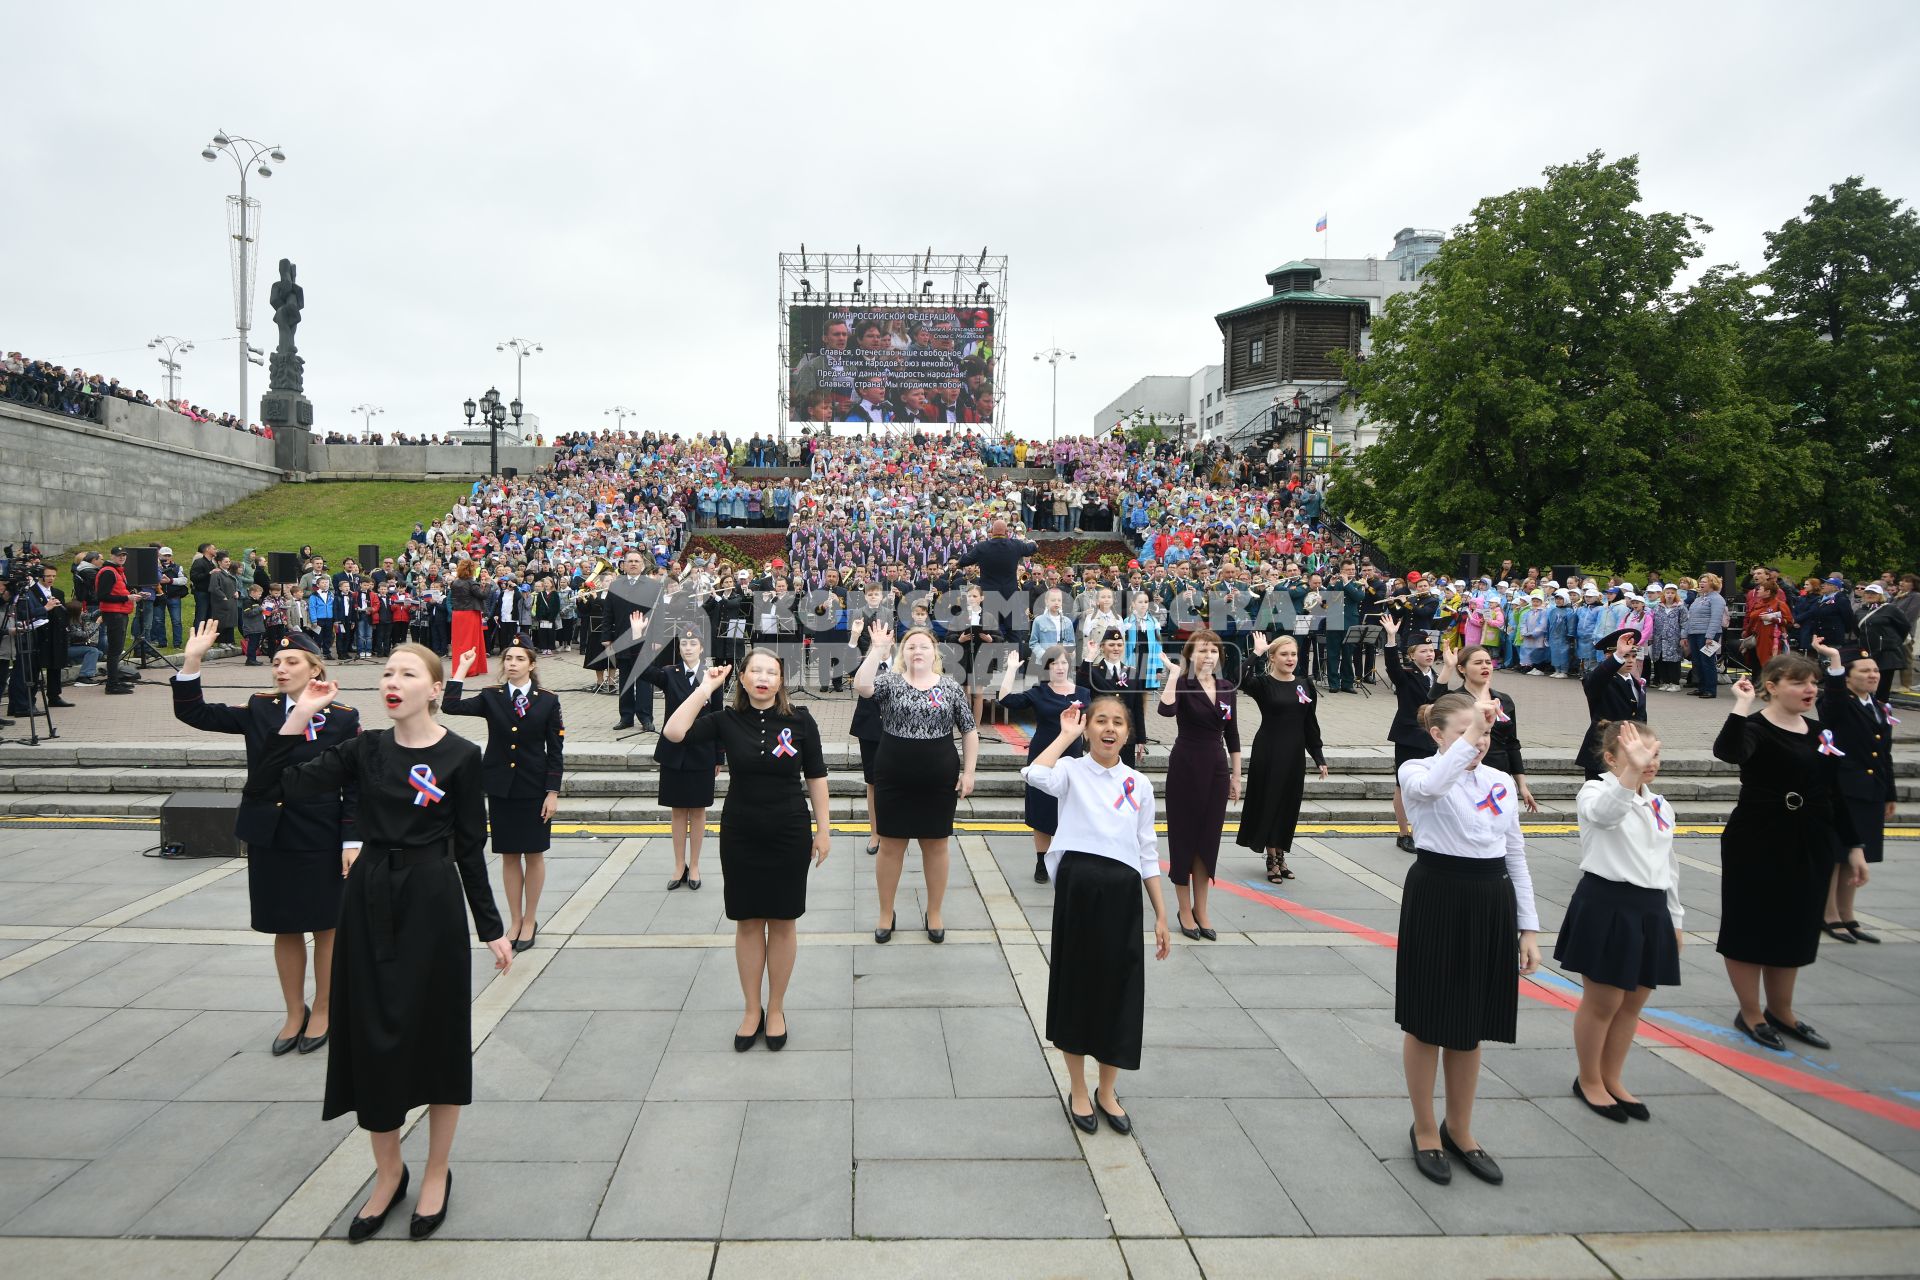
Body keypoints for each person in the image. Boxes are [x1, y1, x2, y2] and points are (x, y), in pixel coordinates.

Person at [271, 643, 512, 1242]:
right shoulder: (364, 749)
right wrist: (299, 717)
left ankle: (435, 1172)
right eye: (386, 673)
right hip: (370, 897)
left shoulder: (461, 755)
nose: (392, 682)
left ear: (435, 689)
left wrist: (490, 926)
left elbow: (469, 846)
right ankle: (388, 1175)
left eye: (407, 673)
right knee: (373, 1040)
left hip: (432, 903)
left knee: (437, 1037)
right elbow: (285, 783)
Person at [171, 624, 359, 1055]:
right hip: (271, 833)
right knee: (283, 924)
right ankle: (295, 1011)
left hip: (322, 834)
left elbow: (356, 785)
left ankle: (325, 1009)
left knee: (327, 926)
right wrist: (193, 660)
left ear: (315, 669)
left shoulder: (343, 717)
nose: (280, 668)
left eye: (292, 662)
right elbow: (195, 714)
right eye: (276, 662)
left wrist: (352, 839)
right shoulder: (261, 708)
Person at [1396, 692, 1541, 1188]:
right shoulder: (1417, 771)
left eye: (1482, 734)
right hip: (1438, 893)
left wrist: (1529, 928)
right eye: (1464, 733)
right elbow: (1437, 785)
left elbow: (1515, 855)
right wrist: (1469, 736)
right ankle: (1423, 1127)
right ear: (1437, 734)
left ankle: (1459, 1126)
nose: (1477, 743)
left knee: (1471, 1019)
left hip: (1489, 899)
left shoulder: (1498, 781)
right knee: (1427, 1017)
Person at [661, 651, 831, 1051]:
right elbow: (674, 732)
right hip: (741, 832)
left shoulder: (800, 720)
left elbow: (817, 777)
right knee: (748, 921)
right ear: (742, 676)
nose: (763, 678)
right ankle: (751, 1008)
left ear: (781, 680)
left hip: (789, 830)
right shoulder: (726, 720)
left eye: (772, 672)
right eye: (755, 670)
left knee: (784, 920)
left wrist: (823, 831)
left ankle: (776, 1008)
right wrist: (706, 687)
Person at [1024, 698, 1171, 1135]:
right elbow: (1033, 774)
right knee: (1077, 985)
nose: (1110, 729)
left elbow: (1147, 850)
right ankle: (1078, 1088)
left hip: (1123, 894)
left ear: (1128, 733)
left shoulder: (1139, 784)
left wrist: (1161, 914)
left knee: (1118, 990)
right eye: (1101, 721)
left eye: (1118, 723)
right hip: (1079, 888)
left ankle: (1107, 1089)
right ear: (1090, 728)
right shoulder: (1071, 771)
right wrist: (1066, 735)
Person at [1713, 658, 1867, 1053]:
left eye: (1813, 682)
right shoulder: (1754, 728)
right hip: (1758, 839)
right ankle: (1751, 1013)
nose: (1809, 689)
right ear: (1772, 685)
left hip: (1810, 838)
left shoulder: (1819, 732)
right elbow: (1728, 752)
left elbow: (1834, 792)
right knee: (1751, 924)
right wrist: (1740, 705)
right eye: (1798, 682)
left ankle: (1782, 1010)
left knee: (1796, 925)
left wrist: (1854, 847)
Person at [1560, 721, 1682, 1123]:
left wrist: (1675, 918)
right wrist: (1629, 772)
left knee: (1634, 1000)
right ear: (1612, 759)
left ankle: (1613, 1077)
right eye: (1637, 755)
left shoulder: (1660, 804)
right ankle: (1589, 1079)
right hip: (1608, 902)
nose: (1650, 763)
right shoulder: (1595, 791)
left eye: (1654, 755)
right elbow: (1607, 816)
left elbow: (1668, 863)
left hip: (1650, 908)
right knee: (1604, 1001)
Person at [854, 626, 979, 944]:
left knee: (936, 844)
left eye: (923, 646)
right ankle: (886, 912)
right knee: (891, 844)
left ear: (934, 653)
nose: (917, 651)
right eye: (910, 647)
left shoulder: (949, 687)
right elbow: (862, 686)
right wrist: (877, 649)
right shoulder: (890, 682)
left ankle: (934, 911)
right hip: (894, 774)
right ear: (902, 654)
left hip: (938, 777)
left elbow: (969, 730)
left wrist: (969, 772)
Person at [444, 637, 564, 952]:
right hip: (501, 787)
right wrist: (462, 668)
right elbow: (451, 706)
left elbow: (556, 751)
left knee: (534, 854)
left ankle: (531, 919)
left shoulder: (548, 700)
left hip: (534, 788)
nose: (511, 663)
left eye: (519, 659)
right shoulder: (491, 697)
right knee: (510, 855)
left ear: (532, 665)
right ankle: (514, 919)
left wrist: (552, 791)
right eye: (508, 658)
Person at [1157, 629, 1240, 942]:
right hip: (1186, 765)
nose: (1208, 657)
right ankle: (1184, 909)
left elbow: (1232, 734)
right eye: (1202, 651)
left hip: (1217, 767)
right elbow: (1165, 711)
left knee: (1208, 840)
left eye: (1213, 651)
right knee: (1184, 838)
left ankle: (1202, 909)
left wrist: (1236, 774)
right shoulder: (1183, 684)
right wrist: (1175, 675)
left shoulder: (1227, 687)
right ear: (1191, 655)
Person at [1810, 640, 1895, 945]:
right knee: (1836, 854)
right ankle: (1828, 914)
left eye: (1875, 670)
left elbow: (1884, 753)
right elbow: (1830, 707)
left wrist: (1890, 793)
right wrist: (1833, 662)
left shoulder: (1879, 707)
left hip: (1870, 790)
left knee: (1857, 856)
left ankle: (1848, 914)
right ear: (1847, 677)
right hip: (1842, 789)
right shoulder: (1838, 702)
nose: (1873, 675)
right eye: (1865, 671)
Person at [637, 620, 725, 888]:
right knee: (677, 811)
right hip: (674, 752)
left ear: (701, 647)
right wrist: (639, 637)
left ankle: (695, 866)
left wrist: (719, 756)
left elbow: (719, 716)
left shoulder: (712, 676)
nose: (687, 648)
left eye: (693, 643)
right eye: (683, 643)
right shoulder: (670, 673)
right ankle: (679, 866)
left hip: (702, 752)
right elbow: (642, 671)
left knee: (698, 811)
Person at [1235, 633, 1328, 884]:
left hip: (1294, 752)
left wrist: (1318, 755)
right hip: (1269, 750)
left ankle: (1281, 853)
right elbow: (1237, 679)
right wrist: (1255, 653)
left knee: (1288, 803)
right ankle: (1272, 857)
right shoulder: (1263, 684)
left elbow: (1310, 723)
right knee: (1270, 801)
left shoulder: (1305, 684)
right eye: (1284, 654)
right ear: (1273, 657)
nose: (1290, 659)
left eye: (1294, 654)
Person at [996, 646, 1091, 885]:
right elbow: (1006, 700)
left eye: (1063, 663)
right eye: (1054, 663)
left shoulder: (1083, 692)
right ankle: (1042, 861)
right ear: (1047, 667)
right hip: (1043, 756)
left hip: (1072, 757)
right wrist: (1010, 670)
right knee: (1042, 810)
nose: (1059, 667)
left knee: (1070, 810)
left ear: (1069, 665)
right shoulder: (1039, 692)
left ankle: (1068, 860)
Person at [1381, 612, 1454, 852]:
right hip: (1409, 736)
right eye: (1423, 651)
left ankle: (1428, 829)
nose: (1429, 654)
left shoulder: (1437, 676)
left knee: (1434, 783)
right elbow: (1391, 666)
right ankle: (1404, 833)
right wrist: (1391, 638)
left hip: (1434, 738)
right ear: (1412, 655)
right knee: (1403, 785)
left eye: (1431, 650)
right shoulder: (1406, 675)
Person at [1454, 646, 1538, 813]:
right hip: (1465, 772)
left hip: (1499, 774)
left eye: (1488, 662)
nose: (1485, 666)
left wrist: (1522, 785)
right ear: (1462, 668)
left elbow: (1512, 744)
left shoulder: (1503, 700)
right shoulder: (1455, 700)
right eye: (1478, 663)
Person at [1576, 628, 1648, 780]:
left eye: (1633, 656)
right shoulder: (1601, 681)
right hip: (1602, 750)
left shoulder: (1636, 683)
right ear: (1609, 656)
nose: (1630, 660)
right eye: (1626, 656)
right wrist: (1618, 656)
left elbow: (1640, 717)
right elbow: (1595, 679)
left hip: (1628, 750)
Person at [1080, 626, 1143, 768]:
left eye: (1120, 645)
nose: (1116, 648)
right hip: (1101, 735)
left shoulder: (1131, 672)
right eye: (1112, 644)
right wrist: (1090, 656)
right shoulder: (1094, 671)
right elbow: (1081, 687)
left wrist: (1141, 738)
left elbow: (1137, 708)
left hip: (1126, 736)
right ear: (1102, 647)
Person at [1853, 583, 1912, 705]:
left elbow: (1904, 626)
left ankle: (1882, 710)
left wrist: (1892, 641)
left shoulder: (1890, 609)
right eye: (1868, 593)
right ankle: (1869, 707)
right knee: (1867, 681)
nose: (1870, 595)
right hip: (1867, 652)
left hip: (1886, 652)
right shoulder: (1860, 611)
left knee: (1883, 684)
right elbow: (1857, 629)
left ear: (1880, 595)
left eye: (1873, 593)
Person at [94, 546, 136, 693]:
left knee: (117, 650)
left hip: (120, 613)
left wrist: (133, 594)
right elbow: (102, 596)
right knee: (114, 650)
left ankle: (115, 680)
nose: (122, 557)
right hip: (114, 614)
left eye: (124, 555)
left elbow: (116, 591)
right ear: (111, 556)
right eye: (119, 555)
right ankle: (111, 684)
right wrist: (127, 597)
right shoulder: (108, 572)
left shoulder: (117, 571)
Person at [1683, 573, 1727, 699]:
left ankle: (1710, 689)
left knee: (1707, 661)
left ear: (1712, 583)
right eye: (1700, 581)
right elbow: (1690, 618)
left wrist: (1710, 636)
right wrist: (1684, 635)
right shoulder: (1698, 598)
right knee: (1697, 662)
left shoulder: (1717, 599)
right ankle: (1701, 687)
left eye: (1705, 582)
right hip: (1694, 633)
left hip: (1708, 634)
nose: (1701, 584)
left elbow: (1716, 618)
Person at [448, 560, 488, 676]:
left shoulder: (455, 583)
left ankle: (459, 667)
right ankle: (470, 669)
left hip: (457, 614)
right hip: (470, 614)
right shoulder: (471, 583)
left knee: (459, 642)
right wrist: (489, 584)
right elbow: (483, 595)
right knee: (471, 641)